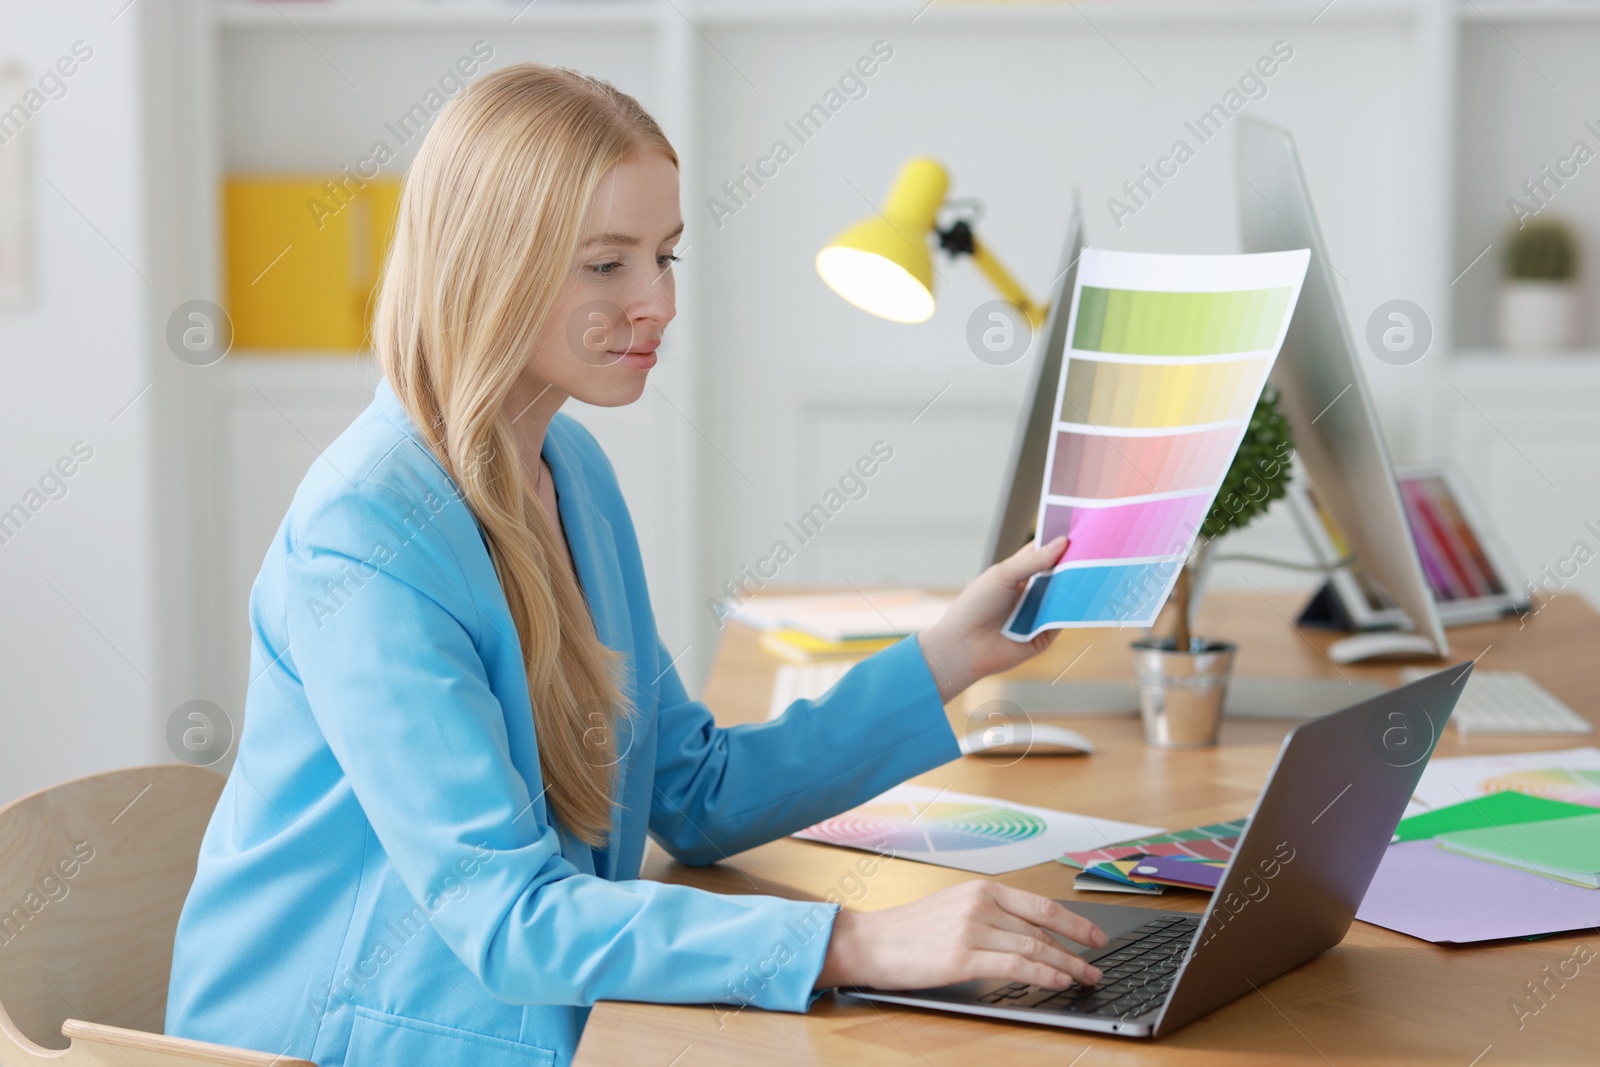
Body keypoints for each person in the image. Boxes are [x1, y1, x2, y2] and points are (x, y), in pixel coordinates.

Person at [165, 62, 1104, 1067]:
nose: (656, 301)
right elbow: (505, 917)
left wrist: (943, 657)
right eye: (607, 265)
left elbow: (690, 790)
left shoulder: (571, 470)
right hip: (348, 1041)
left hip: (527, 1017)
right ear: (489, 264)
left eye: (665, 256)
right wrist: (859, 939)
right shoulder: (366, 534)